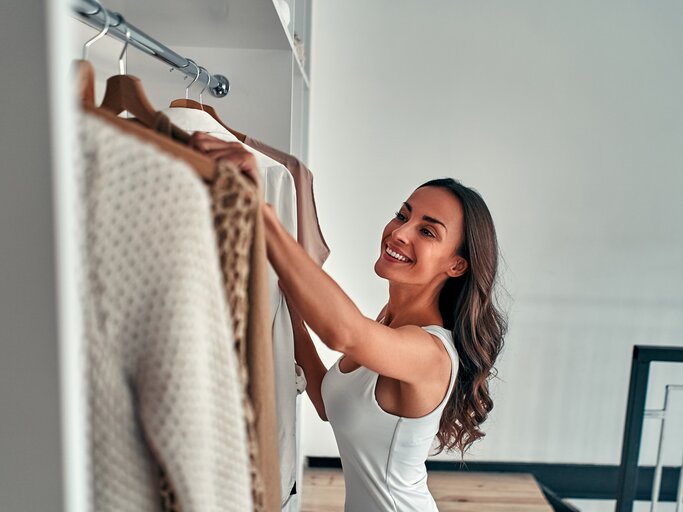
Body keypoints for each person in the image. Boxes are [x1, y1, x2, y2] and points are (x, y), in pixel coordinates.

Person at [191, 136, 507, 512]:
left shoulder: (430, 353)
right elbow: (330, 402)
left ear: (456, 265)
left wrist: (262, 213)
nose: (399, 233)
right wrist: (284, 305)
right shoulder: (389, 324)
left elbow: (343, 331)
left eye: (427, 231)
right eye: (403, 215)